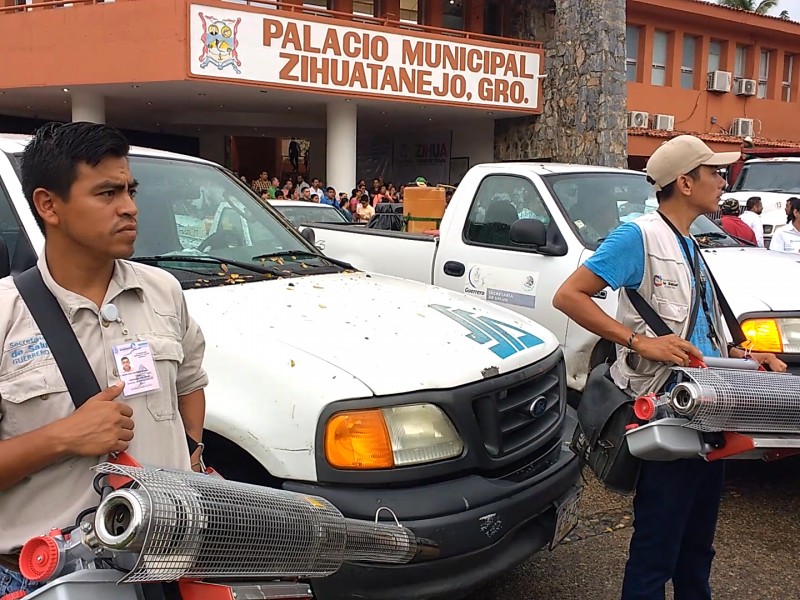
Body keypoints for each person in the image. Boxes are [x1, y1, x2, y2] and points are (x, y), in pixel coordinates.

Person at [553, 134, 786, 600]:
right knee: (656, 549)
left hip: (707, 410)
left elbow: (697, 327)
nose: (723, 181)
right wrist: (641, 342)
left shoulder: (689, 242)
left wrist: (743, 354)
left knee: (698, 548)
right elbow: (568, 296)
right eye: (715, 173)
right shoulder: (638, 237)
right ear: (685, 182)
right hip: (667, 414)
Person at [0, 122, 209, 596]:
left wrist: (192, 451)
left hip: (165, 569)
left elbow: (191, 380)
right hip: (48, 579)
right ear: (48, 205)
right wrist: (62, 438)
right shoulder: (5, 315)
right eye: (107, 193)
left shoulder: (163, 292)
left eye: (130, 190)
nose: (130, 207)